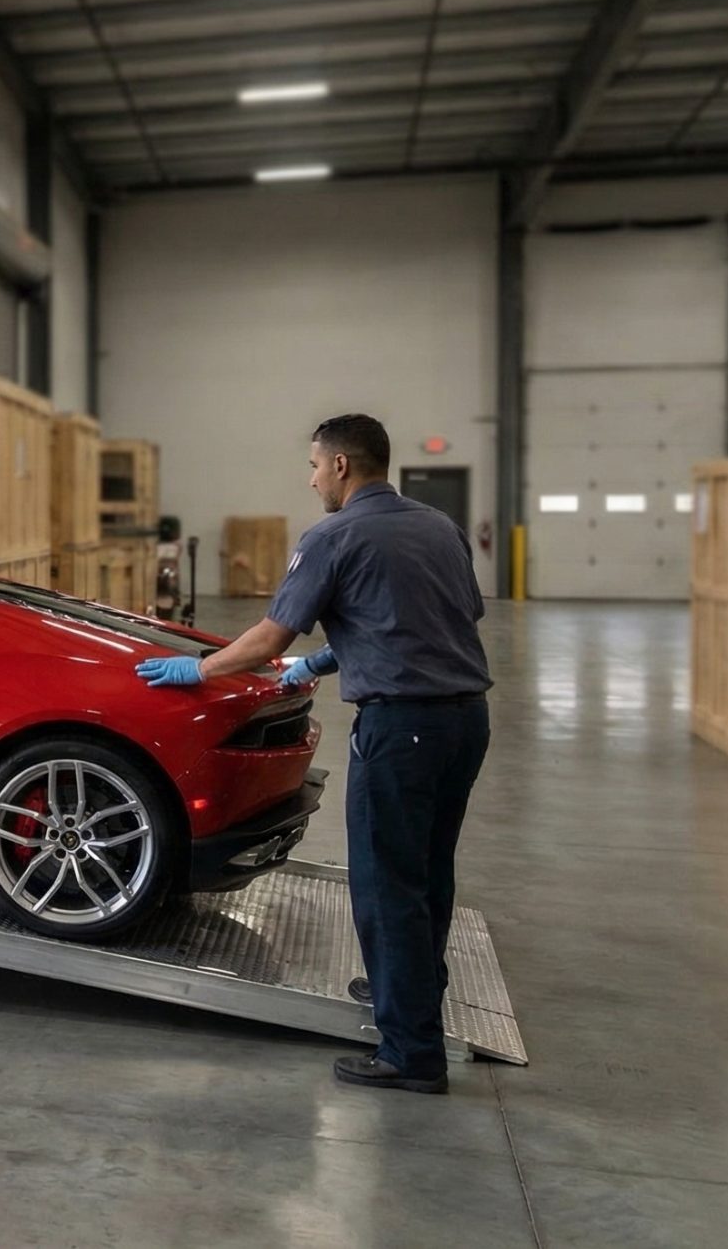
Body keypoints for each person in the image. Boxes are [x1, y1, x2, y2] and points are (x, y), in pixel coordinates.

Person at [132, 414, 491, 1095]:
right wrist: (324, 661)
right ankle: (408, 985)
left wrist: (200, 669)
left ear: (341, 467)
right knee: (426, 869)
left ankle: (411, 1052)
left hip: (401, 729)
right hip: (465, 722)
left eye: (314, 466)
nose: (312, 479)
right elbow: (434, 619)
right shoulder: (439, 527)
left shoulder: (332, 535)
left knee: (386, 882)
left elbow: (270, 638)